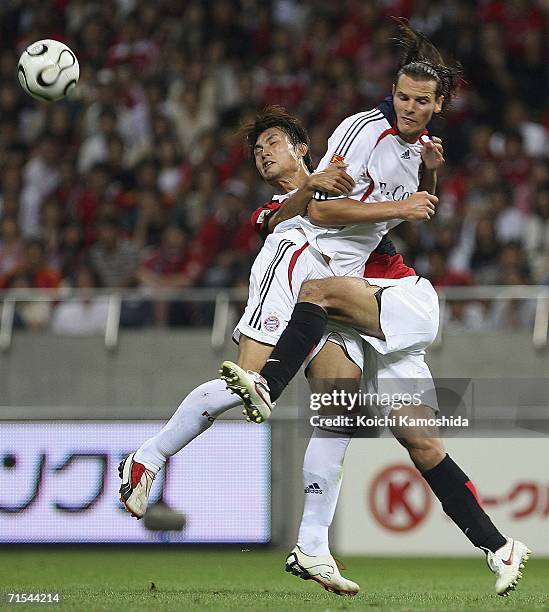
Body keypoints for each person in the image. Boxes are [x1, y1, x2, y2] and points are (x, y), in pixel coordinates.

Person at [221, 20, 530, 597]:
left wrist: (430, 174)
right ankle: (500, 547)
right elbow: (320, 211)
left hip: (399, 299)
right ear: (392, 92)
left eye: (421, 101)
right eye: (402, 97)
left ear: (438, 105)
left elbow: (404, 204)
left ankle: (265, 385)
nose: (409, 108)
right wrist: (410, 200)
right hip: (365, 308)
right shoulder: (361, 131)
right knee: (411, 439)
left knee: (315, 292)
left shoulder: (418, 149)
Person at [118, 104, 433, 596]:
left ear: (302, 148)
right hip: (286, 270)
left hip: (329, 293)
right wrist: (312, 187)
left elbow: (378, 212)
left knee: (340, 411)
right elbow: (279, 217)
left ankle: (312, 544)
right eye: (257, 152)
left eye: (273, 144)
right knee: (248, 384)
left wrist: (426, 170)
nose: (263, 154)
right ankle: (148, 457)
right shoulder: (281, 203)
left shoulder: (343, 178)